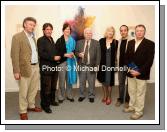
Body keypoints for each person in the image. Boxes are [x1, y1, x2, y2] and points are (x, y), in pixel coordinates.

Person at [11, 17, 42, 120]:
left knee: (33, 89)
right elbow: (14, 55)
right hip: (25, 68)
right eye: (30, 24)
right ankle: (23, 110)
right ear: (24, 24)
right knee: (24, 91)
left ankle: (31, 106)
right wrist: (16, 71)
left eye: (33, 25)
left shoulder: (33, 37)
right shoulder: (17, 37)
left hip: (35, 66)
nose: (32, 26)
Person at [123, 24, 155, 120]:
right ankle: (132, 106)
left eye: (141, 30)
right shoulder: (131, 42)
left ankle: (138, 111)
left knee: (140, 92)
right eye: (138, 30)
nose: (139, 32)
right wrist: (133, 69)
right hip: (131, 72)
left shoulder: (150, 43)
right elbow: (126, 57)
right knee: (131, 91)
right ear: (135, 32)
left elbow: (149, 61)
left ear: (144, 32)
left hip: (142, 73)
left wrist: (139, 71)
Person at [37, 23, 61, 113]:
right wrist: (53, 58)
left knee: (53, 86)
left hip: (54, 67)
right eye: (47, 29)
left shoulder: (51, 39)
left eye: (50, 29)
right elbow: (41, 54)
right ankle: (45, 105)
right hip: (46, 68)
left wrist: (57, 58)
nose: (49, 31)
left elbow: (53, 51)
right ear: (43, 30)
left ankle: (52, 101)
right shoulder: (41, 40)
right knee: (46, 87)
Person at [75, 28, 101, 103]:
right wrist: (79, 54)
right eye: (86, 33)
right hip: (82, 65)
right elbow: (75, 52)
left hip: (91, 65)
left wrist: (97, 66)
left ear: (91, 34)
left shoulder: (96, 43)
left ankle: (91, 95)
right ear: (84, 34)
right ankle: (82, 95)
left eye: (90, 33)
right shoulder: (79, 42)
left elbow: (98, 55)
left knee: (91, 82)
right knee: (82, 82)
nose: (88, 34)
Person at [55, 23, 77, 103]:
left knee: (69, 79)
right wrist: (65, 54)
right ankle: (60, 96)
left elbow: (75, 51)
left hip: (71, 62)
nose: (67, 30)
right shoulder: (59, 40)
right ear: (63, 30)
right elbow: (56, 52)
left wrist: (73, 53)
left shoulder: (73, 40)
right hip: (62, 62)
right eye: (66, 29)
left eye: (69, 29)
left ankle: (69, 95)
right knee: (61, 80)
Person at [97, 26, 118, 105]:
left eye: (112, 31)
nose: (110, 32)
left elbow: (116, 55)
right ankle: (105, 95)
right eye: (109, 31)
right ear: (106, 32)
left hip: (110, 65)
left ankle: (109, 97)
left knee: (109, 82)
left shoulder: (116, 42)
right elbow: (98, 53)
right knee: (103, 81)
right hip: (102, 64)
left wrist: (117, 65)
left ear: (113, 33)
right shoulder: (101, 40)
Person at [115, 25, 130, 107]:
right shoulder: (119, 41)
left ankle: (128, 100)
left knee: (129, 84)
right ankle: (120, 99)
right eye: (121, 30)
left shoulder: (132, 40)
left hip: (129, 66)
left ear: (127, 31)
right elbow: (118, 54)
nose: (123, 32)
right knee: (121, 83)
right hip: (121, 66)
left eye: (125, 30)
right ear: (120, 32)